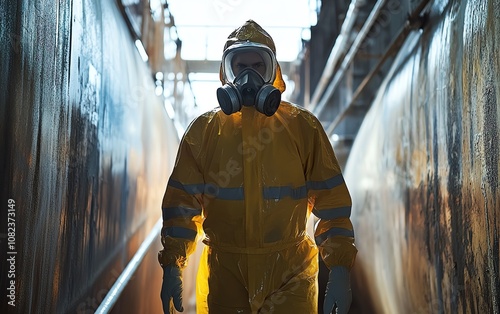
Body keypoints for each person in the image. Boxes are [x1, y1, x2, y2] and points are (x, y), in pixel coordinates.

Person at [159, 20, 357, 314]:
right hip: (225, 278)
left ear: (272, 71)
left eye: (257, 66)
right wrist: (173, 266)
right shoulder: (203, 133)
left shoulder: (302, 128)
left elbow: (332, 206)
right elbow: (181, 207)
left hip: (292, 280)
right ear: (227, 71)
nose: (248, 77)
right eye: (240, 67)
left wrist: (339, 268)